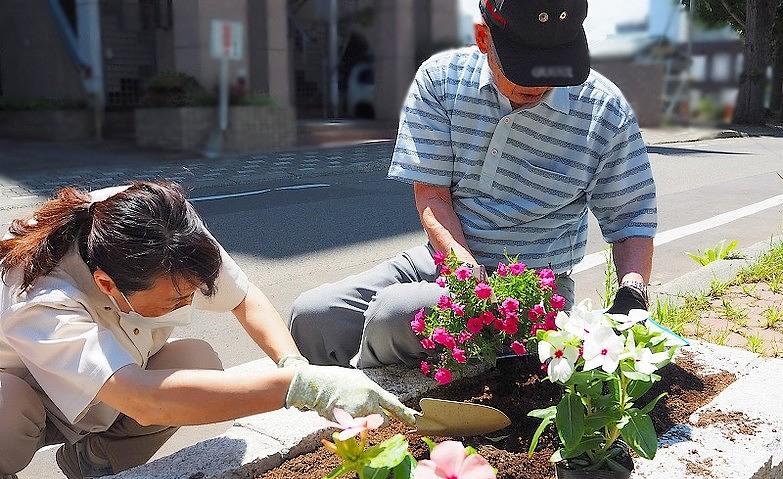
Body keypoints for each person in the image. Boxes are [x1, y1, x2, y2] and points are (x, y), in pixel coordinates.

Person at [290, 0, 656, 369]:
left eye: (557, 63)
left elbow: (632, 219)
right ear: (483, 37)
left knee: (393, 316)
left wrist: (633, 293)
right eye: (525, 66)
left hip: (530, 289)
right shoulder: (441, 80)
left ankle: (371, 406)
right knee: (313, 316)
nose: (542, 81)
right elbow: (433, 196)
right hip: (441, 260)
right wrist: (465, 271)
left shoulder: (603, 110)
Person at [0, 182, 415, 479]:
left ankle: (94, 463)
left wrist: (294, 364)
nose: (188, 302)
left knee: (197, 362)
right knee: (8, 404)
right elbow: (143, 401)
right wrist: (298, 388)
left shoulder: (164, 224)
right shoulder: (41, 295)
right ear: (108, 286)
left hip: (108, 385)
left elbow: (243, 297)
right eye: (176, 300)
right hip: (26, 389)